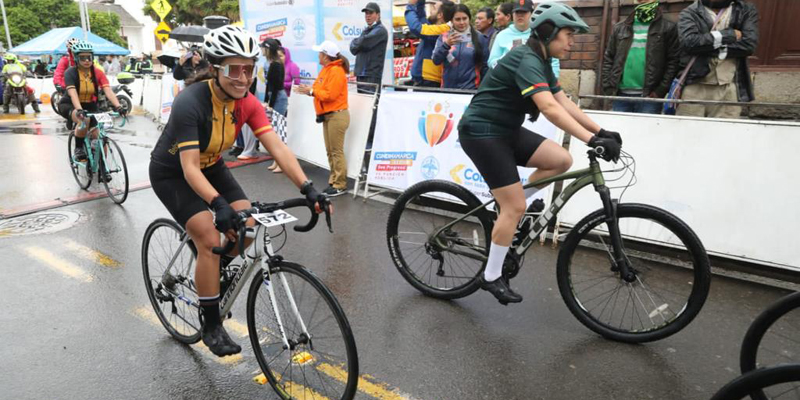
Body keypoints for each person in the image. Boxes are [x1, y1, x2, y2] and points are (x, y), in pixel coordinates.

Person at [149, 26, 330, 357]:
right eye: (235, 69)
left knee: (247, 226)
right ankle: (210, 322)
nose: (244, 77)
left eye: (250, 68)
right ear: (216, 68)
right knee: (208, 236)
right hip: (173, 172)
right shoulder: (191, 102)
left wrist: (307, 187)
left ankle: (212, 274)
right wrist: (217, 204)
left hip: (212, 165)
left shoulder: (247, 102)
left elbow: (278, 147)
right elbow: (189, 167)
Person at [457, 3, 622, 304]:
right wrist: (590, 140)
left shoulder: (542, 59)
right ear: (548, 33)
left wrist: (600, 132)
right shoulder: (526, 59)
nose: (572, 42)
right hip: (482, 132)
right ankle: (491, 275)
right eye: (568, 35)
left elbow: (563, 102)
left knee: (560, 160)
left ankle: (509, 211)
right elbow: (548, 109)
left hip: (505, 129)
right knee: (514, 206)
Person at [676, 0, 758, 118]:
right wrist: (729, 35)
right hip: (695, 86)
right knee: (689, 131)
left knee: (724, 132)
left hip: (728, 86)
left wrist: (709, 47)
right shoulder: (690, 12)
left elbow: (749, 45)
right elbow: (689, 43)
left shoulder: (744, 10)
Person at [602, 0, 680, 114]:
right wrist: (608, 87)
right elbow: (609, 58)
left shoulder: (668, 28)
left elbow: (673, 62)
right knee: (620, 131)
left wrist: (660, 90)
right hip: (621, 96)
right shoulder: (620, 27)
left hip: (649, 98)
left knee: (646, 131)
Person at [295, 41, 350, 197]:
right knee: (331, 150)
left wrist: (311, 91)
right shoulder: (328, 70)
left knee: (335, 151)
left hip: (336, 115)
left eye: (320, 53)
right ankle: (335, 181)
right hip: (330, 115)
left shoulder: (335, 71)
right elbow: (321, 90)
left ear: (325, 56)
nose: (318, 55)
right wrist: (311, 91)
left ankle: (339, 184)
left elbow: (329, 95)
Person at [59, 41, 126, 161]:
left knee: (98, 135)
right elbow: (73, 94)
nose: (86, 61)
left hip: (90, 104)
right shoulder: (70, 72)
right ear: (76, 58)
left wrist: (118, 106)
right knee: (84, 120)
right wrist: (79, 110)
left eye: (89, 57)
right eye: (82, 58)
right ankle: (78, 148)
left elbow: (108, 91)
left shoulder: (97, 72)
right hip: (70, 104)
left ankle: (102, 165)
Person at [488, 0, 562, 78]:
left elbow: (553, 62)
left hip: (536, 82)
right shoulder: (502, 35)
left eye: (524, 12)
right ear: (512, 15)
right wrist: (507, 57)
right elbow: (491, 62)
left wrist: (552, 81)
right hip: (509, 82)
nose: (520, 16)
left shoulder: (540, 34)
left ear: (532, 14)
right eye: (517, 12)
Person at [431, 4, 489, 89]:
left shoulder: (479, 37)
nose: (462, 22)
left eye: (464, 18)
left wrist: (483, 89)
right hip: (448, 90)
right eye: (457, 19)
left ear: (469, 18)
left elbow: (485, 67)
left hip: (471, 89)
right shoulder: (443, 37)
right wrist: (446, 45)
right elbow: (436, 60)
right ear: (451, 20)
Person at [405, 0, 456, 87]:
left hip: (429, 81)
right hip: (425, 79)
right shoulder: (437, 28)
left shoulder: (442, 30)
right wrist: (420, 2)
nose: (431, 10)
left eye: (434, 8)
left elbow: (416, 27)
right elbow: (421, 17)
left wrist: (410, 6)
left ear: (440, 15)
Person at [261, 39, 289, 172]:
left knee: (279, 132)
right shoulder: (271, 63)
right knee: (275, 132)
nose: (261, 50)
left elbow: (276, 87)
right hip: (275, 98)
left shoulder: (276, 65)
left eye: (263, 48)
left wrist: (270, 104)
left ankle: (282, 163)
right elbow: (269, 86)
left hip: (278, 99)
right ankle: (276, 161)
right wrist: (266, 100)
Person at [350, 2, 389, 94]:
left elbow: (363, 42)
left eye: (370, 13)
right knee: (364, 106)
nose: (368, 16)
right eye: (366, 13)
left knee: (371, 106)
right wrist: (358, 42)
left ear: (378, 15)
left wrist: (358, 42)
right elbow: (353, 49)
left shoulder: (380, 30)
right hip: (361, 75)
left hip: (371, 76)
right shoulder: (366, 30)